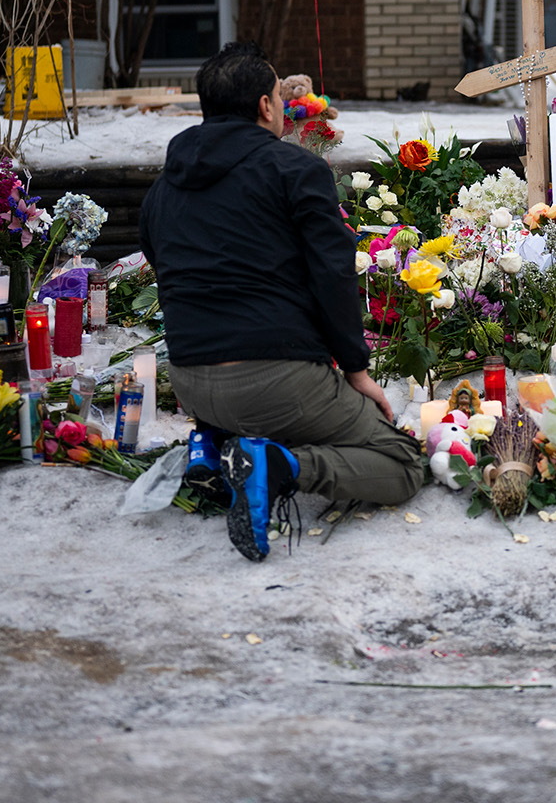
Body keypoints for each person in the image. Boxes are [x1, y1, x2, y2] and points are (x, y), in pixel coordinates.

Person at [138, 41, 423, 561]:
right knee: (402, 463)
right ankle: (277, 467)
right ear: (267, 106)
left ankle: (215, 446)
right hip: (274, 380)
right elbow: (333, 274)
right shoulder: (295, 170)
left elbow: (166, 271)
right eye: (276, 93)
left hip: (192, 382)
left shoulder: (163, 187)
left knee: (248, 404)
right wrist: (357, 372)